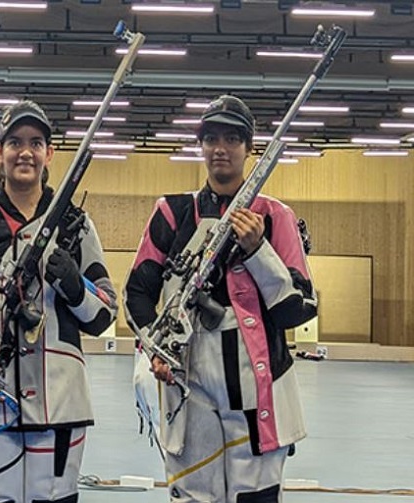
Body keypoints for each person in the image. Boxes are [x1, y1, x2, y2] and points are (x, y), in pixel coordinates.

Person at [123, 95, 317, 503]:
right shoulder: (172, 213)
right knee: (194, 495)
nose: (220, 148)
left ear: (249, 147)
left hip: (257, 385)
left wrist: (257, 250)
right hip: (187, 380)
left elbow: (297, 308)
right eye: (211, 138)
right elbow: (137, 293)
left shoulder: (275, 216)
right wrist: (155, 351)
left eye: (232, 138)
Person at [0, 100, 118, 503]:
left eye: (35, 142)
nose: (25, 151)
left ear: (50, 153)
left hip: (61, 403)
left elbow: (104, 313)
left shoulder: (75, 224)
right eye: (14, 142)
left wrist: (74, 285)